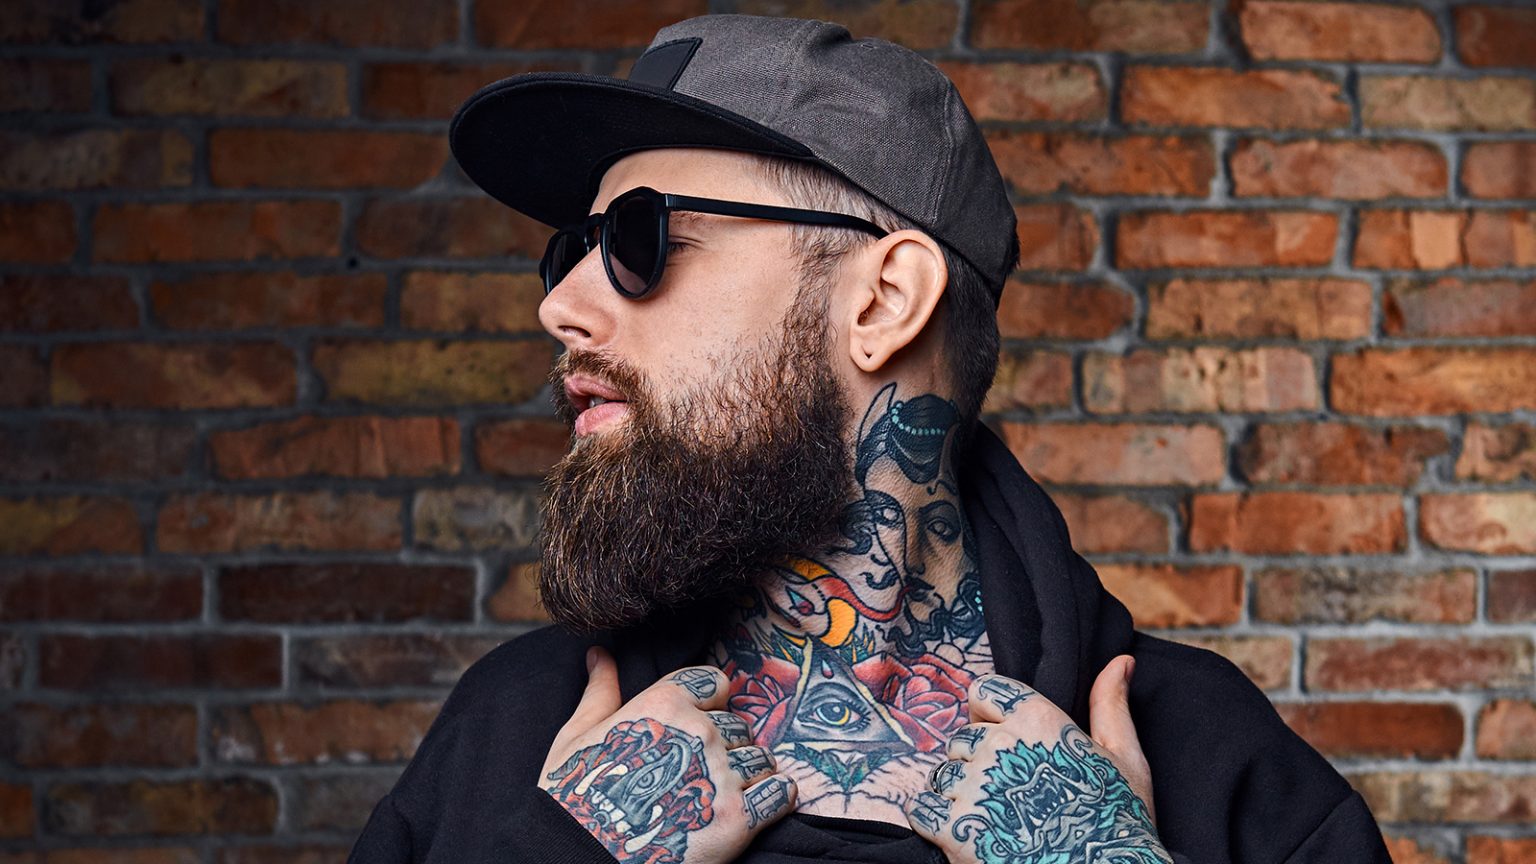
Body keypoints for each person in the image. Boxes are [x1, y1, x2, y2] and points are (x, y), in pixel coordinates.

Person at [348, 14, 1392, 864]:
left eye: (639, 238)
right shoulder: (518, 736)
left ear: (885, 300)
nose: (561, 306)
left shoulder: (1213, 760)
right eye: (568, 252)